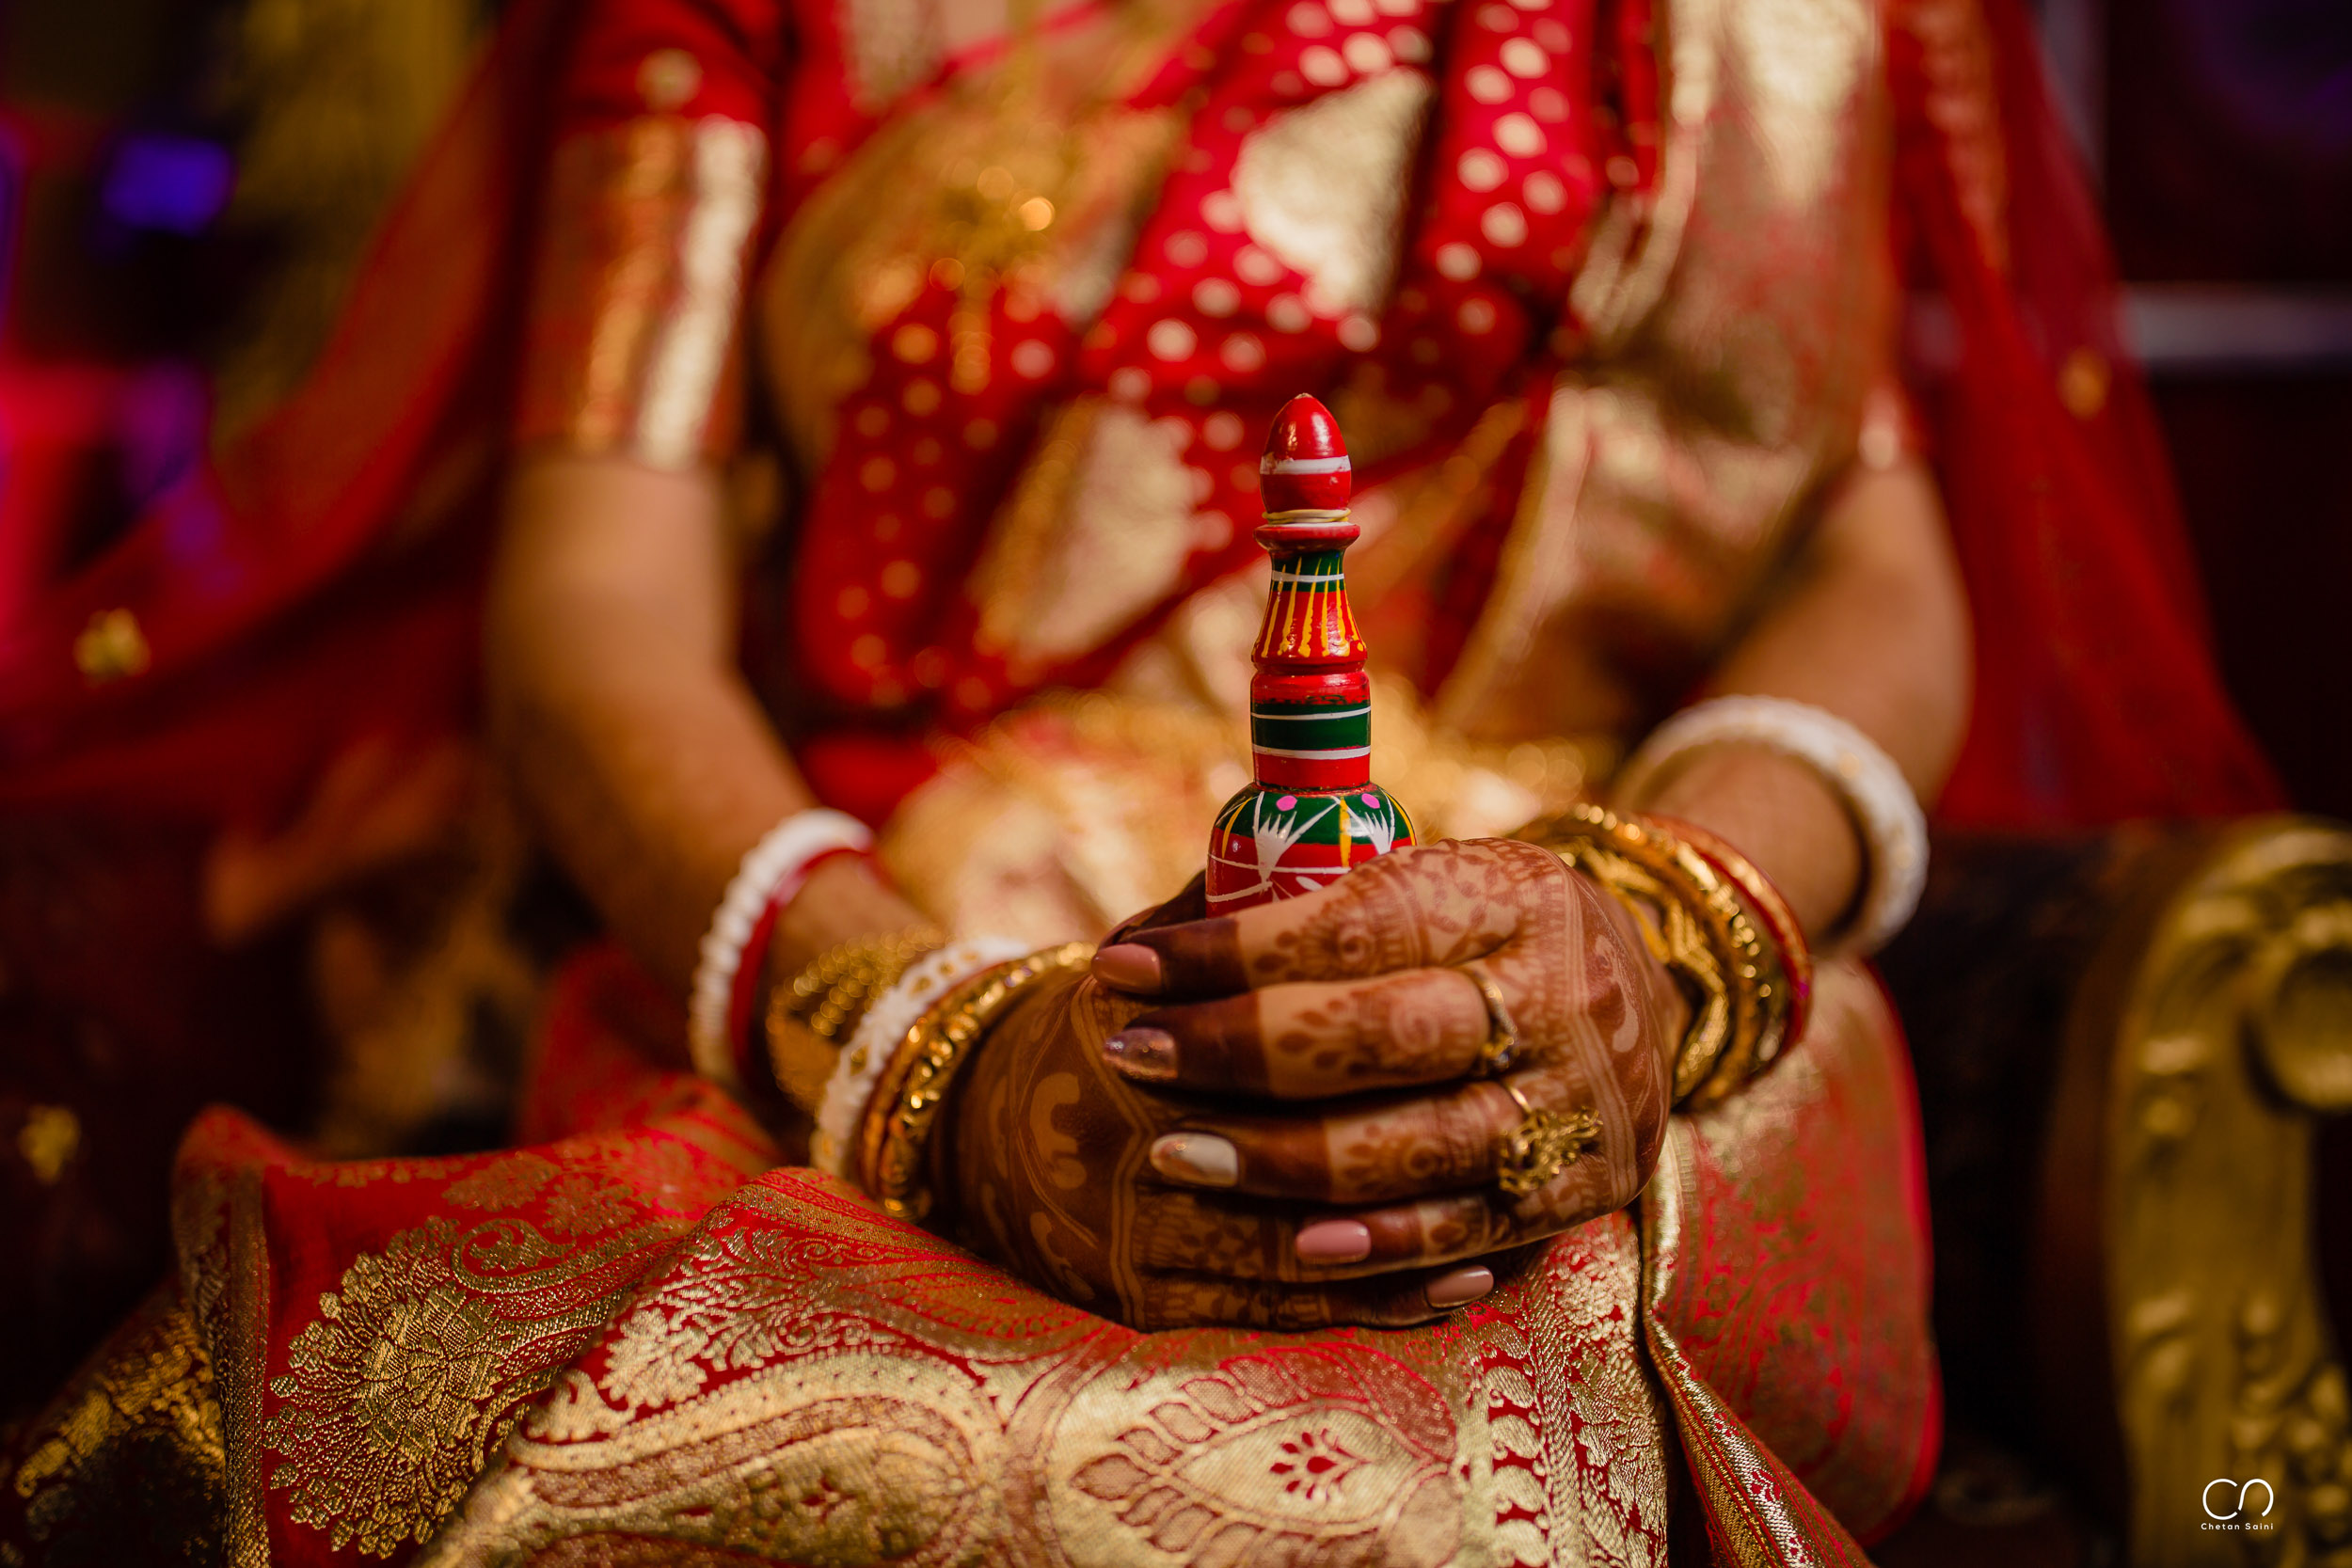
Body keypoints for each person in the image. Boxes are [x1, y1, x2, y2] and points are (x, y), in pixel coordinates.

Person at [0, 0, 2282, 1560]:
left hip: (1596, 981)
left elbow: (1874, 561)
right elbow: (596, 603)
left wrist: (1665, 932)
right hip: (896, 938)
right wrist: (920, 1064)